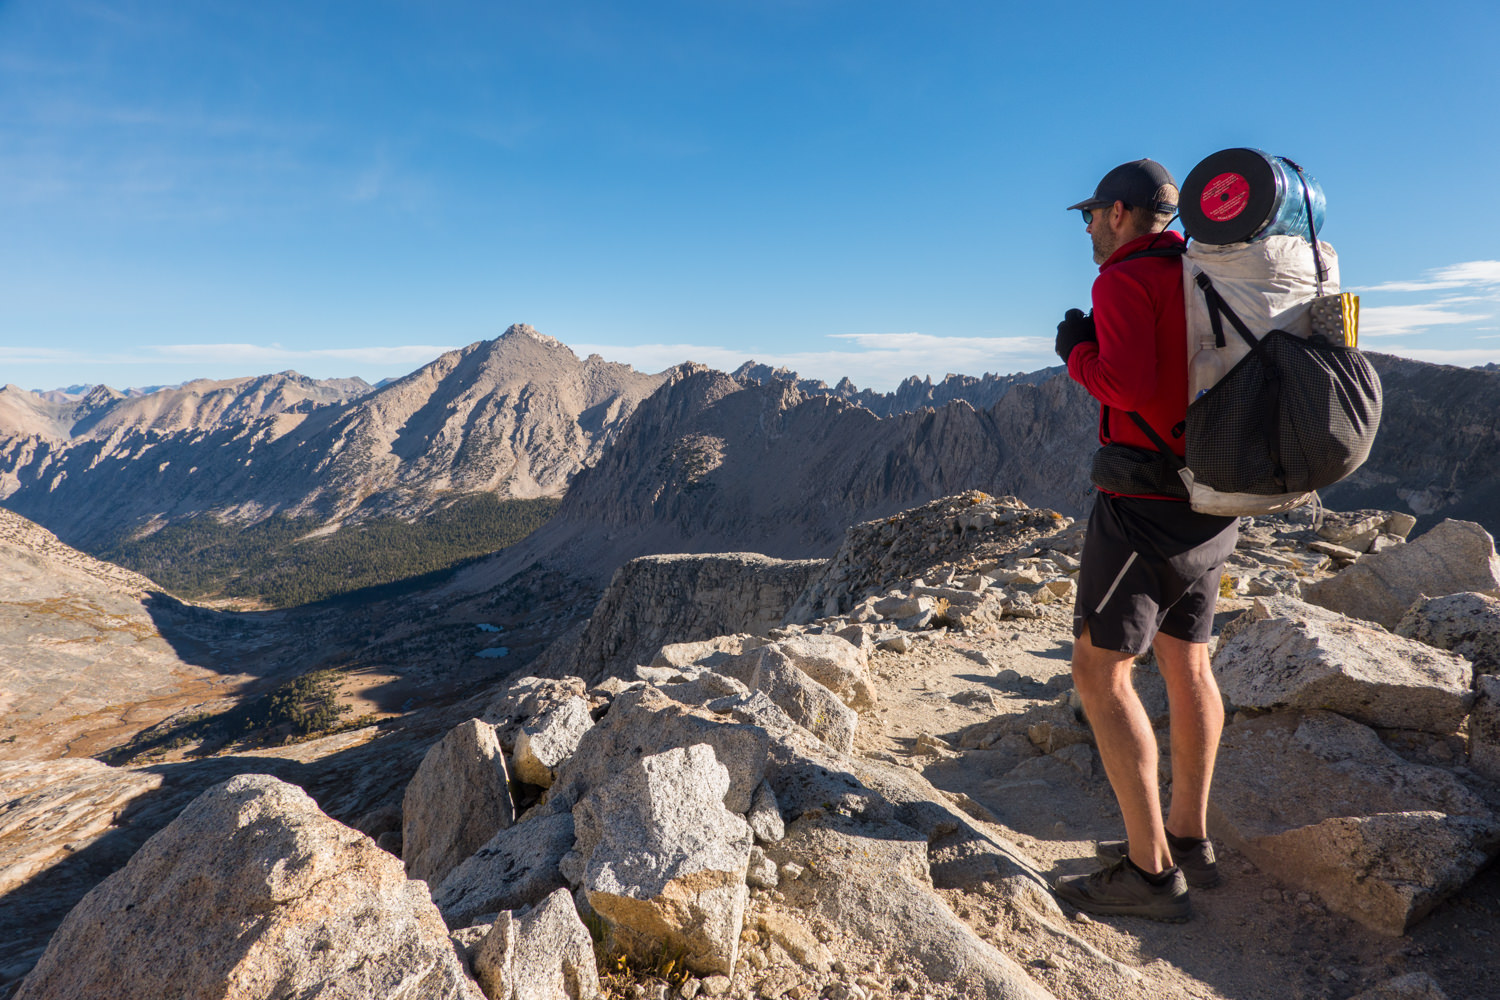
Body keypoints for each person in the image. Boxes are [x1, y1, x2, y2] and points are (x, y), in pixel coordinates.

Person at [1050, 159, 1240, 922]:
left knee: (1100, 672)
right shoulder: (1201, 270)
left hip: (1143, 503)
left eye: (1093, 215)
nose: (1090, 228)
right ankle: (1189, 840)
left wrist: (1075, 349)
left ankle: (1150, 874)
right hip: (1214, 493)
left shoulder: (1125, 278)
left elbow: (1123, 388)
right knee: (1187, 659)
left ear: (1122, 213)